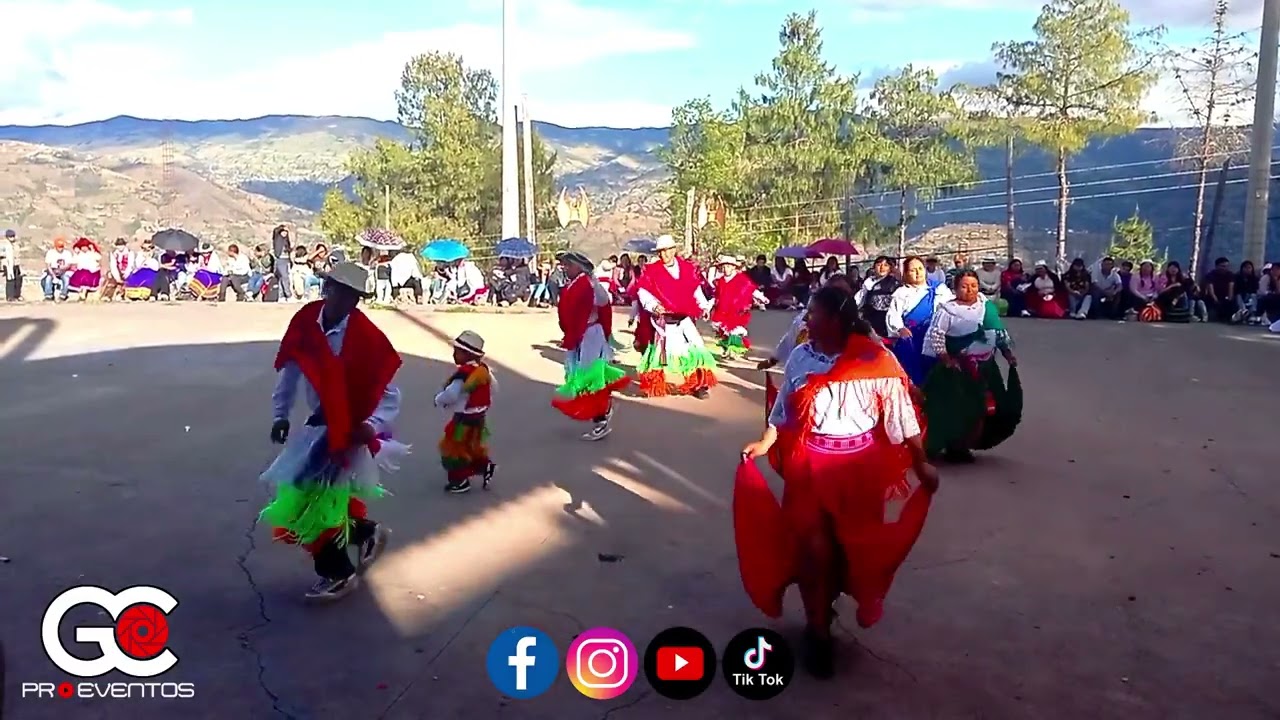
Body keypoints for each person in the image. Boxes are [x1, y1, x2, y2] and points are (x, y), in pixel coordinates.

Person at [738, 283, 938, 678]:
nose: (807, 320)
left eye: (813, 314)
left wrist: (921, 464)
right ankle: (818, 631)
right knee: (814, 552)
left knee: (849, 551)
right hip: (809, 466)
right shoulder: (801, 356)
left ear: (836, 319)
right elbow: (785, 409)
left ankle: (829, 602)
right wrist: (766, 440)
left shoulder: (875, 359)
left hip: (859, 470)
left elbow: (900, 417)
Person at [261, 262, 406, 601]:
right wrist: (280, 415)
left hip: (348, 429)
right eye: (338, 290)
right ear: (327, 288)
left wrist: (369, 427)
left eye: (352, 296)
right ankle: (364, 534)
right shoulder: (306, 322)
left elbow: (388, 393)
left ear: (356, 300)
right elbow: (290, 372)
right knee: (309, 494)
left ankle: (338, 573)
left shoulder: (367, 338)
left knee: (312, 499)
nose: (343, 300)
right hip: (320, 422)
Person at [921, 271, 1022, 463]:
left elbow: (998, 334)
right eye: (964, 286)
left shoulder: (987, 309)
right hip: (957, 372)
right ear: (955, 288)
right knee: (956, 409)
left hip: (985, 369)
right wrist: (945, 358)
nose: (969, 290)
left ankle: (966, 445)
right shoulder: (946, 311)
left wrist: (1008, 355)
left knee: (983, 409)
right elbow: (937, 336)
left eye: (973, 286)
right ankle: (953, 447)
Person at [552, 252, 631, 440]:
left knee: (590, 379)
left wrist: (594, 283)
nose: (564, 268)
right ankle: (604, 410)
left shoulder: (589, 284)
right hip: (581, 336)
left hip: (591, 336)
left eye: (568, 265)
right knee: (586, 377)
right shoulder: (575, 284)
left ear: (579, 267)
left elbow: (604, 302)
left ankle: (601, 421)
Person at [633, 235, 717, 398]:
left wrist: (704, 306)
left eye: (667, 250)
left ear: (673, 250)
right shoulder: (652, 272)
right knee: (659, 354)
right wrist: (653, 305)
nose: (664, 254)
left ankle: (698, 385)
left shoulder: (687, 269)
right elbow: (643, 292)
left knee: (697, 349)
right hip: (664, 320)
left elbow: (695, 289)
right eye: (661, 251)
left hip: (684, 318)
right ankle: (654, 386)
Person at [435, 330, 497, 493]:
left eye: (457, 351)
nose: (454, 354)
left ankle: (459, 480)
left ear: (467, 354)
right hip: (479, 418)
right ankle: (484, 467)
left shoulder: (463, 375)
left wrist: (439, 399)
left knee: (453, 448)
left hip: (463, 419)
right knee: (473, 445)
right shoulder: (482, 370)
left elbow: (451, 395)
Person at [886, 256, 954, 387]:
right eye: (912, 270)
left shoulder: (940, 290)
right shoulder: (901, 293)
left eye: (920, 269)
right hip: (911, 339)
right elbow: (893, 315)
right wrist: (900, 329)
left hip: (934, 336)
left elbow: (950, 310)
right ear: (905, 273)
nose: (917, 273)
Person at [709, 255, 767, 359]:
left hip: (737, 311)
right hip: (722, 311)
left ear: (733, 267)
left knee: (734, 331)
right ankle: (727, 348)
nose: (726, 269)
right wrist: (708, 306)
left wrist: (761, 298)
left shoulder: (742, 280)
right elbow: (716, 296)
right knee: (723, 332)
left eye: (728, 266)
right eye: (724, 267)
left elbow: (751, 290)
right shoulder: (720, 281)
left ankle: (734, 350)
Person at [854, 255, 901, 338]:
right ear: (874, 267)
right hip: (869, 320)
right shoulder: (868, 282)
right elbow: (858, 300)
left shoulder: (894, 284)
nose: (882, 267)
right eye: (879, 265)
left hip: (885, 322)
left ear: (890, 268)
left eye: (886, 265)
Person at [1202, 256, 1236, 322]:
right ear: (1217, 266)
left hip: (1225, 297)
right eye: (1222, 266)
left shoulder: (1230, 275)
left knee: (1230, 304)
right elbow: (1211, 291)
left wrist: (1229, 299)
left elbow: (1231, 290)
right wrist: (1216, 300)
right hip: (1213, 297)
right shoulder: (1211, 275)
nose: (1224, 268)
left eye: (1226, 266)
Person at [271, 225, 293, 301]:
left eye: (286, 232)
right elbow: (275, 230)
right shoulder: (277, 238)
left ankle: (281, 296)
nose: (285, 233)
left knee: (282, 278)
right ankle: (288, 295)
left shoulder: (286, 241)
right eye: (283, 232)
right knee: (285, 277)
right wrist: (283, 227)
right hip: (280, 259)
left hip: (286, 259)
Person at [1, 229, 20, 301]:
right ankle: (10, 296)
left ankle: (16, 295)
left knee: (17, 279)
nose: (12, 238)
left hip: (15, 263)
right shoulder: (4, 244)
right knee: (10, 280)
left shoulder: (15, 244)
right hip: (7, 263)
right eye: (10, 236)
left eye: (13, 236)